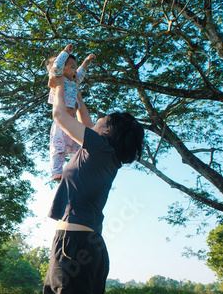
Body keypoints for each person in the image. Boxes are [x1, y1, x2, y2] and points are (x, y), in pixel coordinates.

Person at [43, 52, 145, 294]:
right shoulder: (105, 154)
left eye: (103, 119)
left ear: (107, 132)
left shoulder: (98, 148)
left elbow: (59, 116)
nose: (97, 119)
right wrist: (74, 91)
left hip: (72, 246)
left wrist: (58, 86)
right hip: (87, 246)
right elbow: (85, 123)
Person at [47, 44, 96, 181]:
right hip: (61, 125)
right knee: (58, 148)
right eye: (72, 67)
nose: (76, 71)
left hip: (73, 123)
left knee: (77, 150)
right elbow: (56, 67)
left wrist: (86, 62)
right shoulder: (59, 79)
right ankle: (56, 171)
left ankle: (78, 170)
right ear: (63, 69)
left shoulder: (73, 83)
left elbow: (80, 74)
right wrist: (64, 53)